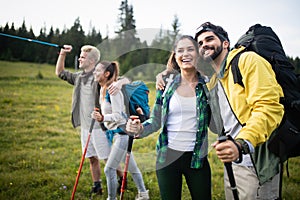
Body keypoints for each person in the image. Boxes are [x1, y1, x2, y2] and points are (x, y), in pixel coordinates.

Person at [194, 22, 284, 199]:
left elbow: (269, 108)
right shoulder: (215, 81)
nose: (204, 45)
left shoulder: (248, 60)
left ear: (225, 43)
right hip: (232, 162)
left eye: (209, 39)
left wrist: (241, 143)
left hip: (256, 162)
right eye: (200, 43)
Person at [126, 35, 212, 200]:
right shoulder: (165, 85)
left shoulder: (208, 85)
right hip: (167, 158)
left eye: (190, 49)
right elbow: (155, 120)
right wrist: (140, 128)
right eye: (180, 50)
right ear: (175, 56)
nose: (185, 54)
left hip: (197, 159)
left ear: (198, 54)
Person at [55, 45, 126, 197]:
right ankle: (97, 185)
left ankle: (122, 179)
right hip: (85, 126)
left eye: (83, 56)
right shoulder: (79, 77)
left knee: (107, 158)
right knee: (91, 157)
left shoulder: (99, 77)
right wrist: (62, 54)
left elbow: (123, 79)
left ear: (93, 60)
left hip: (99, 126)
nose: (80, 58)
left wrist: (120, 83)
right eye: (80, 55)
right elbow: (60, 73)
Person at [92, 60, 149, 200]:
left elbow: (119, 116)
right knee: (132, 167)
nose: (94, 73)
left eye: (97, 71)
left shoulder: (113, 90)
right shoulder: (102, 89)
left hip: (122, 134)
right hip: (115, 134)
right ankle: (143, 194)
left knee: (109, 169)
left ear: (106, 74)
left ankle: (111, 198)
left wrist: (102, 118)